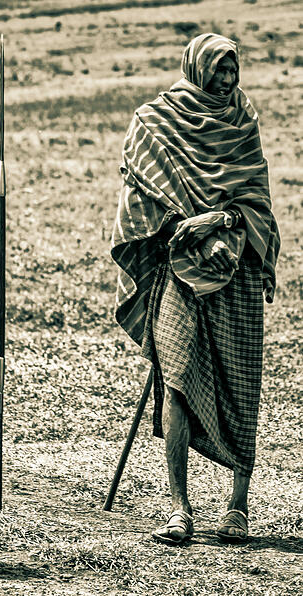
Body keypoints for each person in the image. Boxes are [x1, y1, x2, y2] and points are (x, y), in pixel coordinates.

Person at [111, 33, 280, 545]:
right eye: (218, 70)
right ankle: (179, 507)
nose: (227, 80)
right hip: (180, 269)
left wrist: (221, 219)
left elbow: (257, 200)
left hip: (236, 265)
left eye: (233, 69)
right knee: (179, 380)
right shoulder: (154, 123)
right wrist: (190, 230)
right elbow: (138, 198)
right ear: (196, 68)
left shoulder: (242, 120)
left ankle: (237, 506)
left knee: (240, 381)